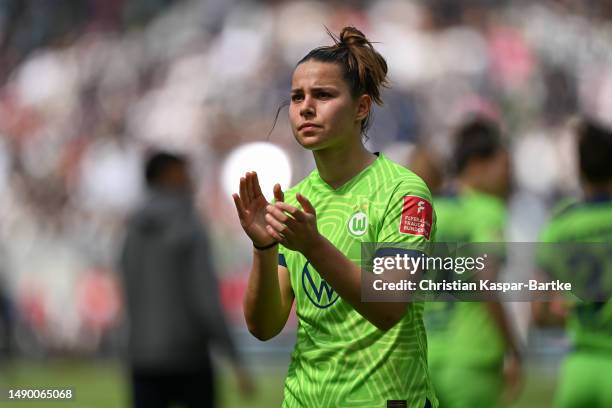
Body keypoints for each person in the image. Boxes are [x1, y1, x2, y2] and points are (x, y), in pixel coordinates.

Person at [232, 26, 438, 408]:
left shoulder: (403, 193)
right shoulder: (292, 201)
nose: (305, 107)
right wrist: (263, 247)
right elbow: (264, 327)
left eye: (323, 95)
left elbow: (388, 307)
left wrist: (312, 245)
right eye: (297, 97)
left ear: (361, 108)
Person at [120, 151, 252, 408]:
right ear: (169, 176)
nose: (192, 180)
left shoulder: (132, 228)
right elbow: (205, 298)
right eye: (185, 173)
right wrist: (234, 358)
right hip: (188, 356)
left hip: (142, 355)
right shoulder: (188, 224)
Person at [424, 117, 522, 408]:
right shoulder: (486, 210)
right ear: (479, 165)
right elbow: (485, 278)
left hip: (424, 358)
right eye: (504, 167)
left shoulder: (427, 209)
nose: (509, 178)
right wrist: (513, 348)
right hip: (472, 360)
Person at [533, 118, 612, 407]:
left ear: (580, 170)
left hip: (578, 372)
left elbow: (540, 313)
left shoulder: (561, 224)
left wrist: (578, 314)